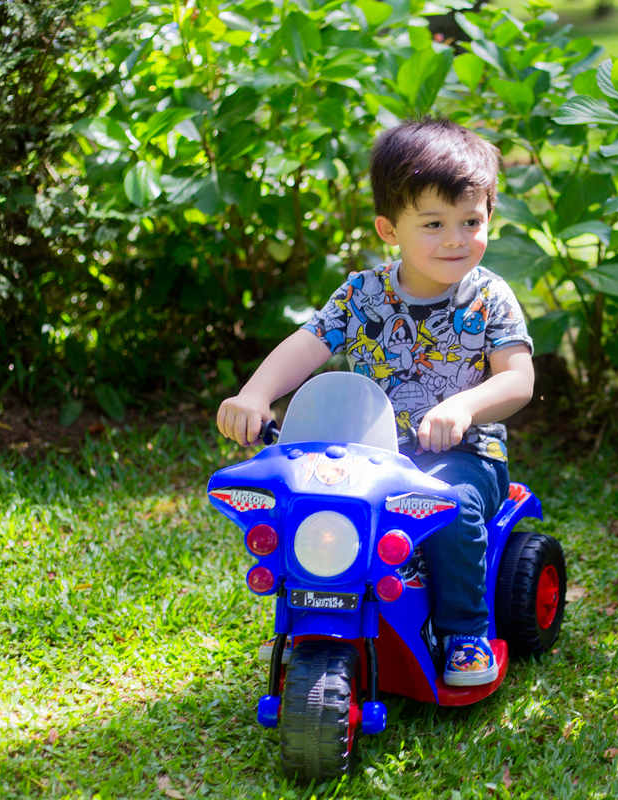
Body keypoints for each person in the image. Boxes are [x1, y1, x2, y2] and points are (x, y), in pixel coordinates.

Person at [216, 117, 535, 687]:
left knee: (453, 506)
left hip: (464, 455)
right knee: (303, 505)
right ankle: (317, 608)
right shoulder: (364, 294)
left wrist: (464, 408)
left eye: (471, 221)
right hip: (367, 456)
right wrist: (256, 393)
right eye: (434, 224)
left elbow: (517, 380)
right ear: (390, 229)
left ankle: (465, 631)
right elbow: (305, 346)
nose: (457, 239)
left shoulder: (489, 296)